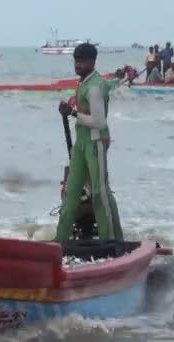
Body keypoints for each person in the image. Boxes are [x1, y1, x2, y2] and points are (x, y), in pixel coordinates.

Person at [54, 43, 123, 242]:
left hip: (96, 143)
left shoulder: (94, 87)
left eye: (82, 61)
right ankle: (61, 241)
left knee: (99, 194)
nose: (78, 64)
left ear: (92, 62)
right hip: (81, 144)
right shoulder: (83, 82)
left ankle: (110, 241)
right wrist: (69, 107)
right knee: (71, 193)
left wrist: (73, 113)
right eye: (76, 60)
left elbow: (99, 121)